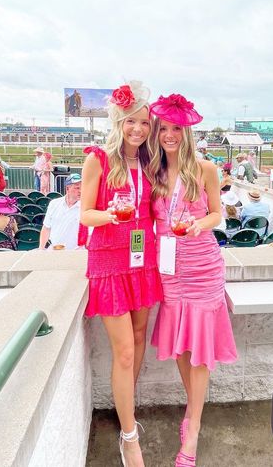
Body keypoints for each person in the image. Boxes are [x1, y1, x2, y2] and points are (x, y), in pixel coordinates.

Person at [148, 93, 237, 466]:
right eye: (164, 128)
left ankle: (194, 428)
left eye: (176, 128)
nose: (170, 135)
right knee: (182, 347)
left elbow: (218, 215)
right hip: (169, 269)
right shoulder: (153, 172)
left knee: (199, 349)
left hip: (202, 266)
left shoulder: (205, 169)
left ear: (187, 132)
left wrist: (199, 224)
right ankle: (193, 409)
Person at [80, 81, 163, 467]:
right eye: (131, 121)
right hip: (109, 261)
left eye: (144, 122)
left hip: (141, 256)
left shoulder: (149, 161)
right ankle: (129, 437)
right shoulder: (97, 158)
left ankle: (126, 411)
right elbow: (85, 215)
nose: (138, 128)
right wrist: (111, 214)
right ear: (118, 121)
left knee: (140, 338)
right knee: (125, 350)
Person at [39, 173, 83, 250]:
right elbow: (46, 228)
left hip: (77, 252)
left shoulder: (85, 207)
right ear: (67, 189)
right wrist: (41, 248)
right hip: (56, 250)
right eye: (77, 188)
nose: (81, 191)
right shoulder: (54, 204)